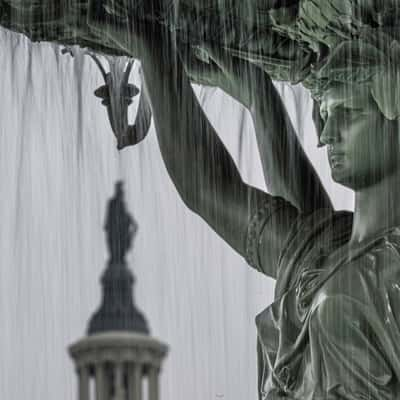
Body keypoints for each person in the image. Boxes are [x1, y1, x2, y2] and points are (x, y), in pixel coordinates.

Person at [88, 8, 400, 399]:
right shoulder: (338, 253)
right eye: (325, 115)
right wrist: (256, 97)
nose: (326, 136)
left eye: (349, 114)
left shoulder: (386, 271)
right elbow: (218, 194)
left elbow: (216, 194)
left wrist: (157, 52)